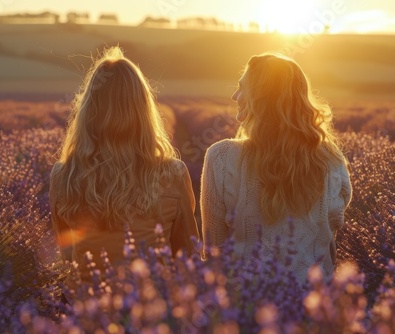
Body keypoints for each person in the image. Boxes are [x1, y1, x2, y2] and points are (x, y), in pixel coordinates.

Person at [50, 47, 199, 300]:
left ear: (88, 111)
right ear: (143, 111)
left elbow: (67, 255)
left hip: (86, 313)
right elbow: (186, 256)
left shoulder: (64, 174)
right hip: (150, 313)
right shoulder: (174, 173)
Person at [201, 52, 352, 285]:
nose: (234, 95)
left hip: (246, 306)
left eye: (242, 88)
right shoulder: (332, 160)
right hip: (314, 304)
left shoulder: (221, 157)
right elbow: (329, 237)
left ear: (260, 97)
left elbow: (214, 251)